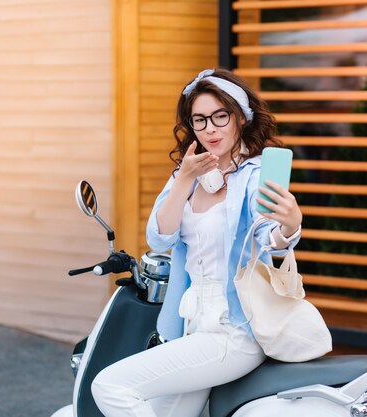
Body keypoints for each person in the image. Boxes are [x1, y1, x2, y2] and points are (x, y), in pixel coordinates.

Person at [91, 68, 303, 417]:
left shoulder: (254, 175)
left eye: (221, 116)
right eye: (200, 120)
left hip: (233, 330)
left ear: (240, 118)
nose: (210, 128)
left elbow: (270, 239)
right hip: (192, 327)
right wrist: (185, 178)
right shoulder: (186, 175)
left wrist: (290, 225)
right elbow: (159, 237)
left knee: (110, 385)